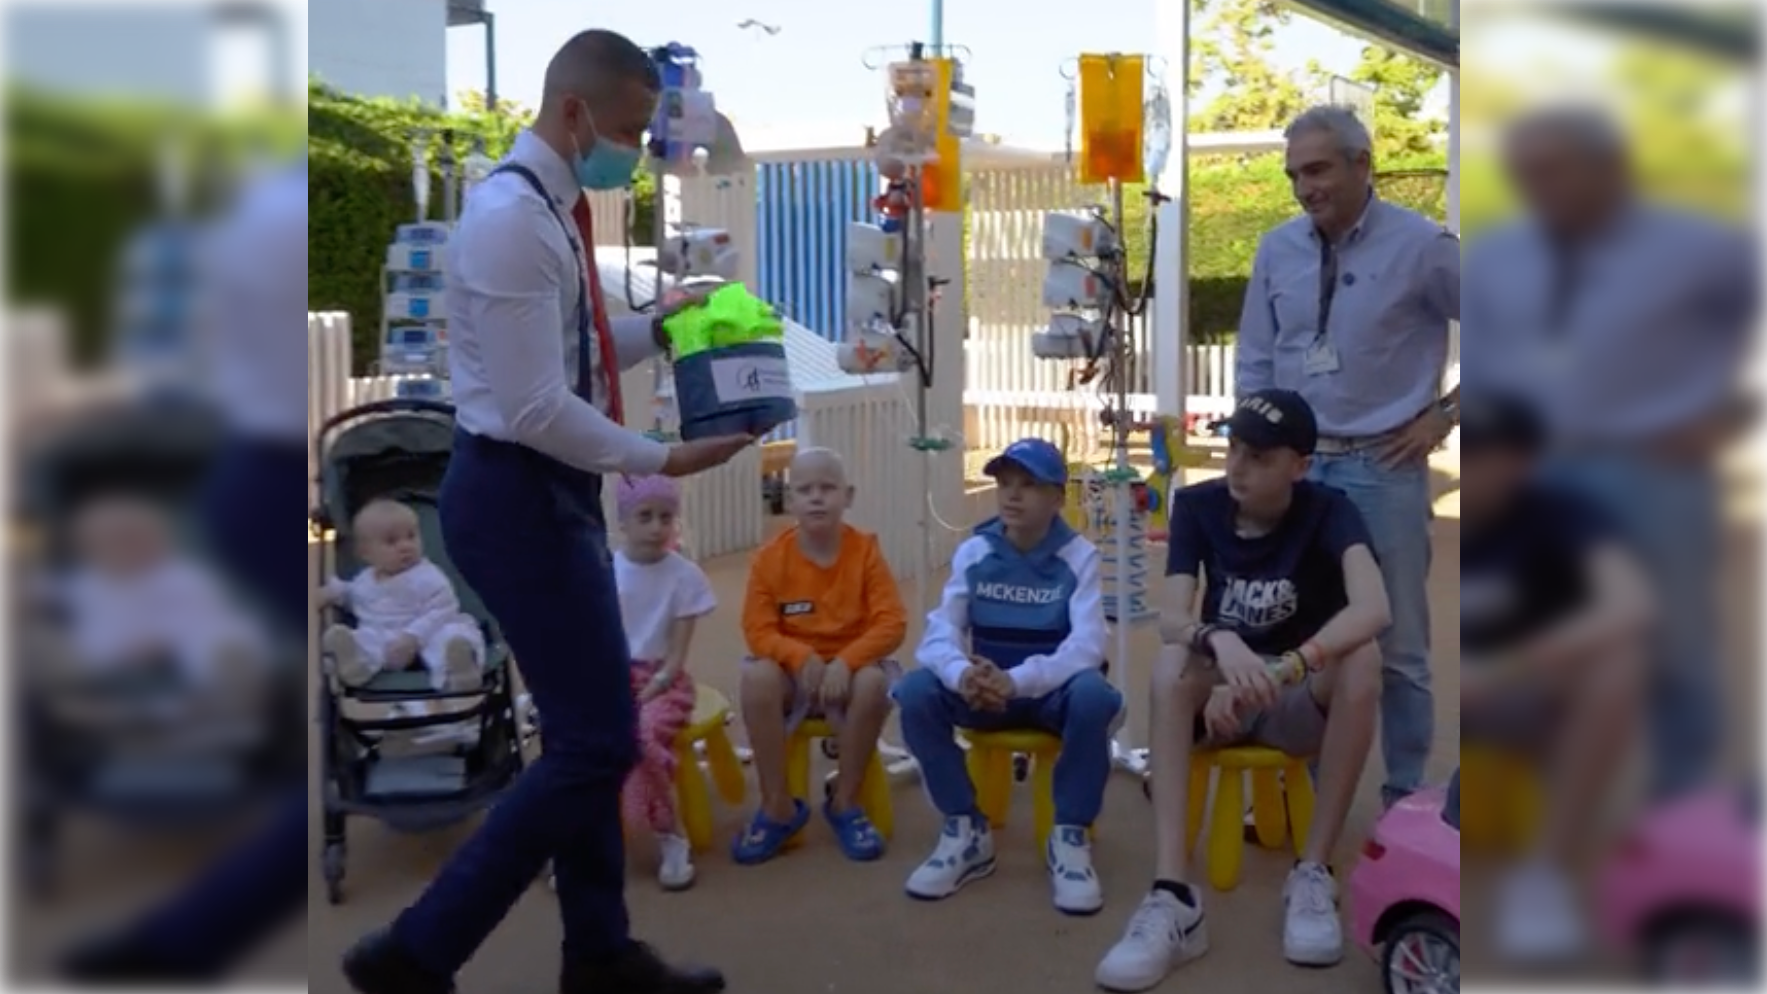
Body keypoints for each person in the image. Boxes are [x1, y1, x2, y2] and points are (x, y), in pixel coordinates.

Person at [341, 29, 751, 994]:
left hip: (542, 490)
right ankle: (414, 950)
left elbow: (571, 352)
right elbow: (532, 406)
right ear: (572, 113)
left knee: (589, 730)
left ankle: (598, 953)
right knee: (597, 743)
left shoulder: (551, 207)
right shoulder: (512, 222)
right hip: (515, 493)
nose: (638, 148)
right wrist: (662, 458)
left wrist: (668, 320)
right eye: (627, 126)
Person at [59, 152, 309, 994]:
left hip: (243, 467)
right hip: (263, 472)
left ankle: (174, 937)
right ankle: (169, 949)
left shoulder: (249, 216)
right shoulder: (280, 216)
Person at [1463, 104, 1761, 798]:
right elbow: (1478, 364)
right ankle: (1547, 831)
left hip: (1651, 471)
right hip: (1531, 473)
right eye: (1523, 174)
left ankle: (1681, 816)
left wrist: (1730, 414)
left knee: (1674, 647)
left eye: (1551, 171)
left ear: (1609, 169)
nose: (1535, 187)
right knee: (1532, 644)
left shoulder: (1696, 246)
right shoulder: (1500, 254)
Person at [1095, 389, 1389, 990]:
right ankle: (1173, 896)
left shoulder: (1330, 510)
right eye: (1233, 448)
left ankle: (1311, 872)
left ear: (1299, 466)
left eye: (1258, 456)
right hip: (1218, 698)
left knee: (1363, 660)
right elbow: (1174, 614)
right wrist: (1220, 644)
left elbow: (1375, 607)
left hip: (1291, 699)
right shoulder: (1199, 506)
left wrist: (1285, 668)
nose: (1236, 466)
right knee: (1172, 664)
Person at [1235, 104, 1459, 807]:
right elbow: (1256, 359)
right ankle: (1298, 796)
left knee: (1396, 648)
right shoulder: (1277, 248)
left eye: (1319, 168)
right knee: (1298, 637)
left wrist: (1445, 415)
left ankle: (1402, 806)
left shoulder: (1421, 246)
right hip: (1297, 472)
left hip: (1382, 467)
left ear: (1363, 164)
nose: (1305, 187)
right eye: (1294, 174)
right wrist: (1254, 456)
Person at [1456, 393, 1650, 962]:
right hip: (1465, 702)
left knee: (1619, 672)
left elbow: (1629, 602)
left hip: (1526, 689)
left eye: (1484, 455)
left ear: (1519, 463)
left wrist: (1519, 663)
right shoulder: (1435, 514)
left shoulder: (1561, 512)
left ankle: (1544, 873)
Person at [894, 437, 1119, 915]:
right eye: (1004, 484)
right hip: (984, 692)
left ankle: (1070, 834)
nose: (1012, 496)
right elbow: (940, 632)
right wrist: (962, 676)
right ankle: (965, 828)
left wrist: (1016, 680)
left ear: (1059, 498)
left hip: (1045, 696)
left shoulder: (1079, 556)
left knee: (1095, 696)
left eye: (1029, 485)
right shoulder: (976, 550)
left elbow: (1088, 645)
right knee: (914, 691)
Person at [736, 447, 907, 864]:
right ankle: (777, 805)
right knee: (757, 678)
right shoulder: (769, 559)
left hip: (851, 669)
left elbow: (892, 622)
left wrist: (846, 663)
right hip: (794, 673)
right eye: (805, 489)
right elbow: (757, 630)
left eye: (827, 488)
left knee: (875, 683)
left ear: (847, 496)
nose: (816, 498)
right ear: (789, 500)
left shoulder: (865, 551)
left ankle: (845, 801)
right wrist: (797, 657)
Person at [611, 474, 717, 891]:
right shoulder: (605, 571)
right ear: (624, 520)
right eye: (645, 516)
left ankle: (668, 832)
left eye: (666, 517)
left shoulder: (685, 576)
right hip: (612, 675)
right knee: (577, 735)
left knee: (642, 734)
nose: (657, 526)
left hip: (663, 681)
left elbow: (675, 659)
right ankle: (578, 838)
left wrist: (652, 687)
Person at [320, 499, 484, 692]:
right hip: (386, 638)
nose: (405, 546)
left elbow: (443, 608)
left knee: (453, 634)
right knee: (367, 640)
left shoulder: (427, 576)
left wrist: (413, 637)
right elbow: (354, 598)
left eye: (411, 536)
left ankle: (458, 670)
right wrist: (333, 593)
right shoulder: (365, 581)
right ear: (366, 553)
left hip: (428, 631)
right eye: (392, 541)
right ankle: (356, 664)